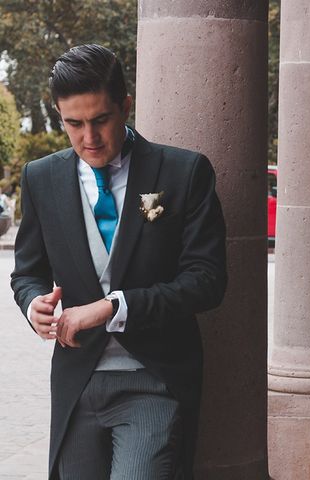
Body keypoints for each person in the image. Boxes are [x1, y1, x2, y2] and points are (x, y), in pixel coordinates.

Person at [10, 44, 227, 479]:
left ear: (125, 106)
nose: (89, 138)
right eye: (73, 124)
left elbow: (207, 281)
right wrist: (34, 303)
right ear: (59, 115)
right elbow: (27, 272)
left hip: (154, 379)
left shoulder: (184, 173)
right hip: (77, 381)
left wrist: (114, 306)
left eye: (100, 120)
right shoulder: (41, 177)